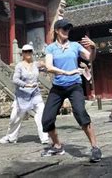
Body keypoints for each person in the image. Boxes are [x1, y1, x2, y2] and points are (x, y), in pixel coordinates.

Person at [41, 19, 102, 162]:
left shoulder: (75, 46)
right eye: (64, 28)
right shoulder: (51, 48)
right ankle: (57, 145)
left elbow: (90, 58)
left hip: (74, 85)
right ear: (56, 30)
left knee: (81, 113)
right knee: (47, 119)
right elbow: (49, 67)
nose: (66, 31)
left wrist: (93, 48)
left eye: (68, 28)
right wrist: (66, 72)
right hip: (58, 87)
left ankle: (95, 147)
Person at [0, 44, 50, 144]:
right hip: (22, 95)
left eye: (30, 51)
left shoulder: (36, 64)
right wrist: (26, 85)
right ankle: (11, 137)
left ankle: (44, 137)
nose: (28, 53)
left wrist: (46, 65)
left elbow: (48, 69)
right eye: (25, 51)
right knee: (15, 118)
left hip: (35, 94)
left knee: (42, 113)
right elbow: (15, 79)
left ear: (32, 52)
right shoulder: (19, 66)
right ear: (22, 53)